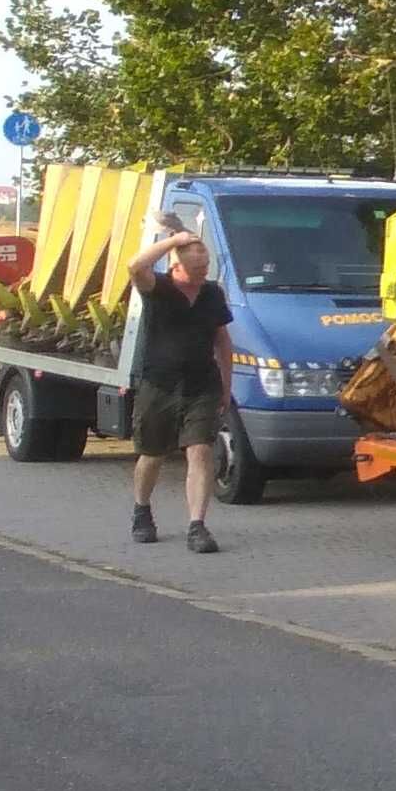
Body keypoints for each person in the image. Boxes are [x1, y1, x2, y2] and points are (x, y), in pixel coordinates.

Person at [124, 224, 237, 552]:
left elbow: (222, 340)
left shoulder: (212, 293)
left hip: (201, 385)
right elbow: (134, 265)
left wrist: (227, 386)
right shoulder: (157, 287)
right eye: (197, 268)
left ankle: (197, 526)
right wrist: (174, 240)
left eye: (206, 267)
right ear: (176, 267)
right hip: (158, 384)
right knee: (152, 454)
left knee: (200, 450)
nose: (203, 273)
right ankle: (142, 511)